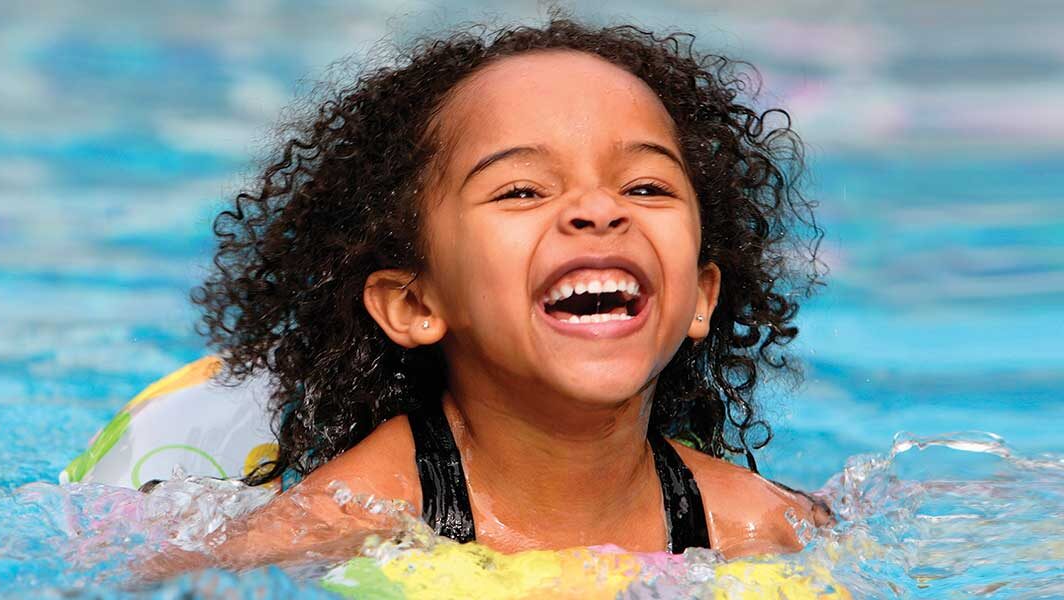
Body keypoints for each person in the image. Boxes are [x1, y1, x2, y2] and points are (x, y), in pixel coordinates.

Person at [168, 16, 828, 574]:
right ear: (414, 305)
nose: (599, 209)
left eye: (647, 187)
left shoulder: (759, 526)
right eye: (521, 191)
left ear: (699, 300)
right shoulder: (354, 517)